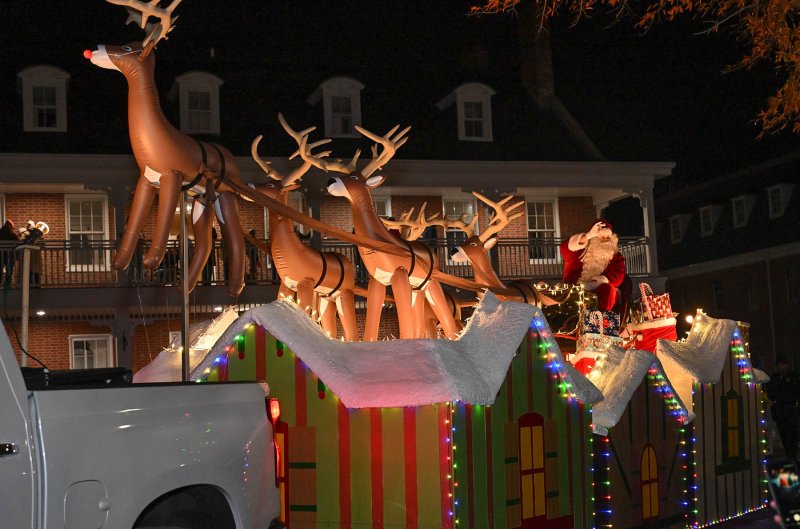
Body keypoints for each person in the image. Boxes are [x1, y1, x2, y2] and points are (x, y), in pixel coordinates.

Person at [560, 219, 627, 311]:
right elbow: (565, 247)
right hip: (578, 289)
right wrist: (588, 235)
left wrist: (604, 280)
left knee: (609, 290)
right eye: (601, 237)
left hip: (601, 289)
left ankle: (601, 320)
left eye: (608, 238)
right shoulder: (581, 250)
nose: (605, 240)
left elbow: (618, 275)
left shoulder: (616, 257)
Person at [764, 356, 800, 464]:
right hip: (780, 412)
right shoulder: (775, 378)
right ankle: (790, 458)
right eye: (780, 365)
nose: (782, 367)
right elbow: (771, 394)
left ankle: (793, 458)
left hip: (792, 412)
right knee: (784, 436)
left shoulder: (794, 377)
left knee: (792, 437)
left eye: (783, 364)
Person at [0, 220, 20, 288]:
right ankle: (7, 285)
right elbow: (17, 243)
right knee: (9, 271)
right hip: (10, 255)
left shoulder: (0, 233)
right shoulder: (12, 234)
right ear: (10, 226)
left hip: (1, 254)